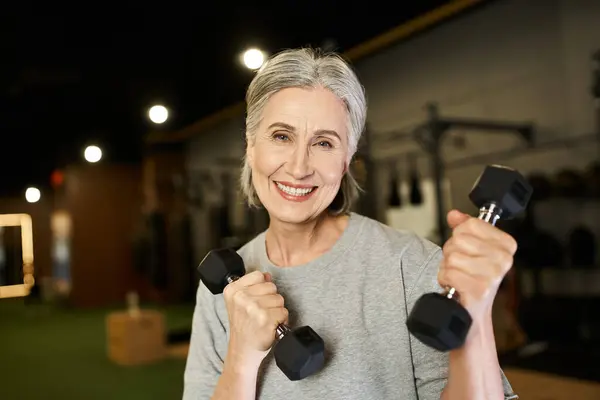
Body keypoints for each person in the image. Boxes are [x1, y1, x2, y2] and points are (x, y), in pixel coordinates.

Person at [183, 48, 520, 400]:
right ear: (251, 147)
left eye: (324, 143)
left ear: (346, 161)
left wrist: (475, 316)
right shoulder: (223, 293)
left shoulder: (413, 267)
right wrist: (241, 357)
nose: (299, 168)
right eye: (282, 136)